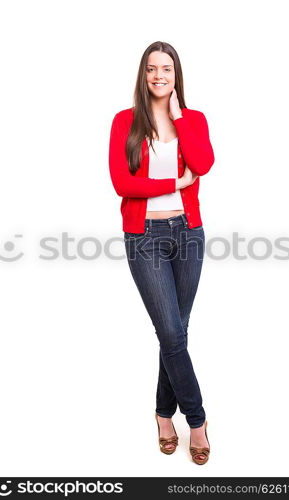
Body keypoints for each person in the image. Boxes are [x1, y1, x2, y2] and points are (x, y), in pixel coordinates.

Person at [108, 41, 214, 465]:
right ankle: (198, 421)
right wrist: (175, 182)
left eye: (166, 69)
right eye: (151, 69)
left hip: (188, 233)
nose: (158, 76)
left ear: (176, 75)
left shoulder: (193, 119)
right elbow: (123, 182)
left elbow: (203, 164)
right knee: (171, 333)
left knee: (176, 333)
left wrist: (178, 118)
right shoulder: (124, 122)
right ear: (142, 74)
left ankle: (162, 415)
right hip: (144, 236)